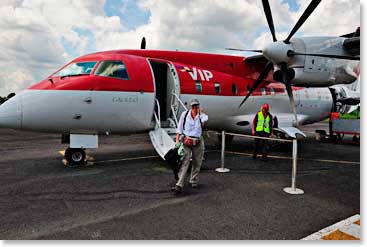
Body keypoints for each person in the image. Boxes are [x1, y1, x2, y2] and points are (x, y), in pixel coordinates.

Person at [172, 98, 208, 194]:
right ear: (190, 107)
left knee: (197, 162)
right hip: (186, 141)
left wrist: (201, 113)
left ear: (198, 106)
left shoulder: (201, 116)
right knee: (185, 162)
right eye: (193, 106)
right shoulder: (185, 115)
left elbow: (205, 119)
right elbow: (179, 129)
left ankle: (193, 179)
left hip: (198, 142)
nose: (195, 108)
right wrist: (177, 141)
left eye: (196, 106)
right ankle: (179, 184)